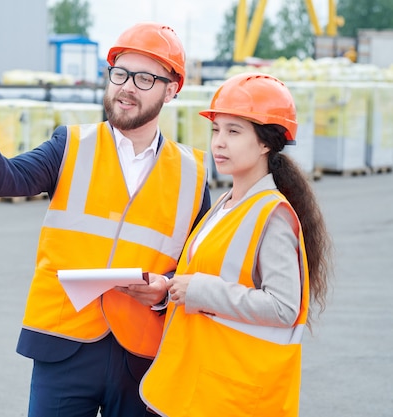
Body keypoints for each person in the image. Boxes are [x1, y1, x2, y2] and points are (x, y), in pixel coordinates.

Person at [0, 22, 211, 417]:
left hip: (143, 354)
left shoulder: (192, 174)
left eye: (144, 78)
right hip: (64, 344)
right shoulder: (70, 144)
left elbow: (200, 262)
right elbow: (9, 178)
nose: (126, 87)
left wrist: (166, 288)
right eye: (120, 73)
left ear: (171, 89)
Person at [140, 73, 333, 417]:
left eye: (234, 131)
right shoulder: (225, 204)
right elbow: (214, 276)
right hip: (198, 382)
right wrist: (168, 288)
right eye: (216, 130)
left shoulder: (271, 214)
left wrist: (200, 290)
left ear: (265, 143)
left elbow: (284, 307)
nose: (219, 143)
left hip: (232, 392)